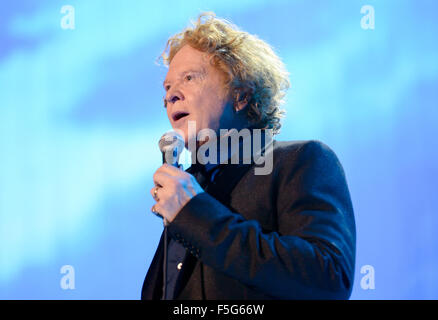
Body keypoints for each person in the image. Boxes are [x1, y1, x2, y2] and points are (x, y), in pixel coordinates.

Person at [141, 12, 356, 300]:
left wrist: (196, 214)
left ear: (241, 95)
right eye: (167, 89)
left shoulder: (299, 161)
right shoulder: (191, 185)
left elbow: (328, 278)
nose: (171, 96)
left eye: (189, 78)